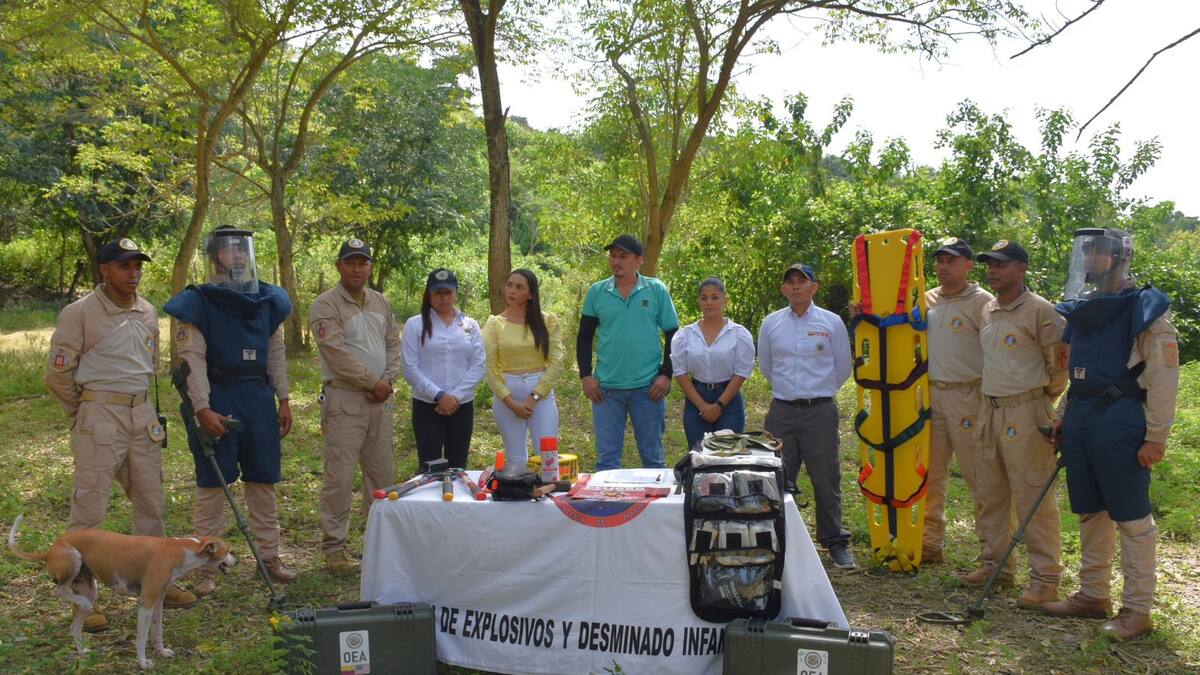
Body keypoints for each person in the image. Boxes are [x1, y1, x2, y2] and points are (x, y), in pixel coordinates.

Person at [45, 238, 196, 631]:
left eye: (138, 266)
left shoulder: (148, 311)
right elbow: (58, 374)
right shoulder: (80, 313)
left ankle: (156, 584)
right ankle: (84, 599)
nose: (133, 273)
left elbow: (149, 362)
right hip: (99, 413)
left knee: (151, 502)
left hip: (141, 413)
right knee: (89, 508)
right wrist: (85, 410)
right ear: (105, 269)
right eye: (124, 266)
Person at [1043, 228, 1179, 640]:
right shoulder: (1084, 310)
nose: (1089, 259)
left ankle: (1137, 610)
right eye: (1086, 252)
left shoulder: (1145, 308)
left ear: (1119, 256)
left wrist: (1156, 437)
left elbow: (1164, 376)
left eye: (1098, 252)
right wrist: (1064, 416)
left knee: (1131, 517)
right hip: (1083, 420)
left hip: (1121, 420)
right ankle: (1092, 595)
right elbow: (1077, 375)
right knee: (1091, 511)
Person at [164, 226, 296, 595]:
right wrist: (202, 408)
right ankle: (204, 566)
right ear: (215, 256)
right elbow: (193, 360)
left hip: (258, 399)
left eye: (242, 249)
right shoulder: (199, 302)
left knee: (263, 480)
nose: (237, 256)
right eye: (228, 250)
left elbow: (275, 352)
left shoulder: (267, 300)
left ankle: (269, 558)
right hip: (219, 396)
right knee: (213, 483)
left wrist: (283, 398)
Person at [967, 239, 1066, 609]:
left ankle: (1045, 578)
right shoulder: (988, 309)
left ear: (1022, 268)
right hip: (990, 408)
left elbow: (1060, 365)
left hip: (1026, 410)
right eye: (990, 264)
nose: (993, 270)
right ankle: (996, 565)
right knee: (990, 493)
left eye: (1001, 264)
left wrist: (1038, 401)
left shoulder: (1041, 311)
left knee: (1032, 495)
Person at [307, 239, 401, 572]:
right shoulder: (325, 305)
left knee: (382, 476)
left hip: (381, 401)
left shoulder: (380, 302)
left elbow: (393, 345)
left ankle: (380, 545)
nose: (357, 269)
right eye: (350, 262)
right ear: (339, 266)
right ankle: (334, 549)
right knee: (340, 477)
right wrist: (372, 382)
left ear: (370, 267)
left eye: (363, 263)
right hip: (345, 400)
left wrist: (387, 380)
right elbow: (336, 353)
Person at [759, 263, 855, 569]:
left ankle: (834, 541)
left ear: (814, 287)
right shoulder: (771, 324)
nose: (796, 286)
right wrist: (791, 392)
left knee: (826, 477)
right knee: (775, 475)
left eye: (802, 281)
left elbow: (843, 366)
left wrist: (818, 392)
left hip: (820, 412)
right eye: (790, 281)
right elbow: (767, 366)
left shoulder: (831, 322)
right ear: (783, 289)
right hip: (782, 412)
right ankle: (777, 540)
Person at [577, 234, 680, 471]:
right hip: (606, 390)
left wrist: (666, 375)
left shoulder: (656, 289)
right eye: (613, 256)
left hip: (648, 388)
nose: (616, 262)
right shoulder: (597, 292)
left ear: (639, 260)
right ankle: (607, 498)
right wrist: (585, 376)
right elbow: (584, 336)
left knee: (653, 460)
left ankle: (655, 497)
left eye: (623, 256)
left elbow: (673, 334)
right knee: (606, 462)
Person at [921, 238, 994, 565]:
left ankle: (992, 553)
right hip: (932, 395)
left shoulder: (983, 302)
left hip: (969, 396)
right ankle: (929, 544)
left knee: (980, 476)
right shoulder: (926, 299)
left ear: (968, 265)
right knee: (930, 474)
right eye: (940, 260)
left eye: (951, 261)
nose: (943, 267)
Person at [401, 269, 485, 469]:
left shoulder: (470, 325)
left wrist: (455, 397)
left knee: (458, 466)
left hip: (461, 405)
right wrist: (439, 396)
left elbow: (479, 364)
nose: (444, 298)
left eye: (448, 292)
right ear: (429, 294)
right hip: (427, 406)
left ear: (456, 293)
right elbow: (410, 367)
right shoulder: (415, 325)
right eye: (438, 293)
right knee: (429, 467)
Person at [482, 268, 565, 466]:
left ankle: (547, 486)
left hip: (540, 395)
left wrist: (535, 396)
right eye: (509, 285)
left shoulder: (547, 321)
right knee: (516, 460)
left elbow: (557, 361)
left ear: (530, 294)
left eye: (519, 287)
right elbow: (488, 366)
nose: (512, 291)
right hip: (507, 396)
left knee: (547, 457)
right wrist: (510, 402)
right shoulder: (494, 324)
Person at [671, 277, 755, 449]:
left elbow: (741, 372)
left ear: (725, 300)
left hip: (729, 400)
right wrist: (702, 405)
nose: (709, 302)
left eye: (715, 297)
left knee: (728, 456)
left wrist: (719, 405)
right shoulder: (685, 335)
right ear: (699, 301)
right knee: (699, 455)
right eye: (704, 298)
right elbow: (680, 372)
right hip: (696, 399)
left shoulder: (739, 334)